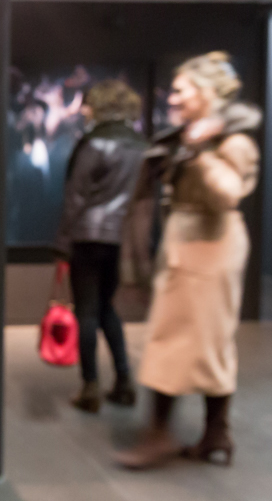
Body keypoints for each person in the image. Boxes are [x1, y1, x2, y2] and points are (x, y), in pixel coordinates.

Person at [117, 51, 261, 468]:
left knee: (181, 342)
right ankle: (216, 434)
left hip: (210, 248)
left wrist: (200, 152)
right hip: (190, 245)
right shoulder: (190, 137)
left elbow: (227, 194)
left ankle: (161, 434)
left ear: (207, 92)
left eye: (182, 90)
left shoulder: (233, 142)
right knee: (199, 343)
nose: (174, 97)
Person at [54, 79, 146, 413]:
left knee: (88, 312)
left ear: (103, 106)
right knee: (107, 307)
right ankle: (124, 381)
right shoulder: (141, 145)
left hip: (87, 236)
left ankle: (90, 387)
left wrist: (62, 244)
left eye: (89, 104)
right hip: (121, 239)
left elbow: (76, 197)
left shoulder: (93, 142)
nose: (84, 110)